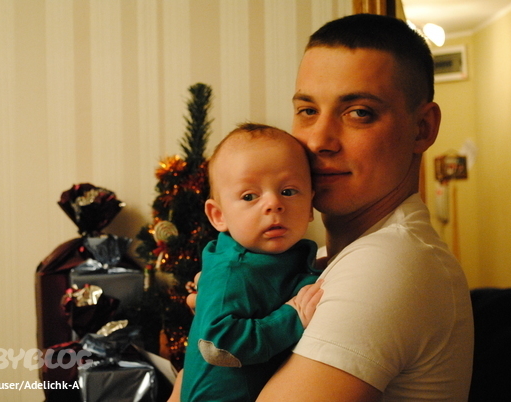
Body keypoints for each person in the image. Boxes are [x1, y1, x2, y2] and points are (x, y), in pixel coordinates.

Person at [254, 14, 475, 401]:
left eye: (358, 112)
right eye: (308, 111)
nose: (319, 141)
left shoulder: (390, 262)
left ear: (422, 128)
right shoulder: (326, 259)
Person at [176, 123, 324, 402]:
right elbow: (217, 345)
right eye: (249, 196)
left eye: (289, 191)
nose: (273, 204)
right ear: (219, 215)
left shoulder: (278, 255)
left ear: (310, 206)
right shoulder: (232, 270)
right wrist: (291, 318)